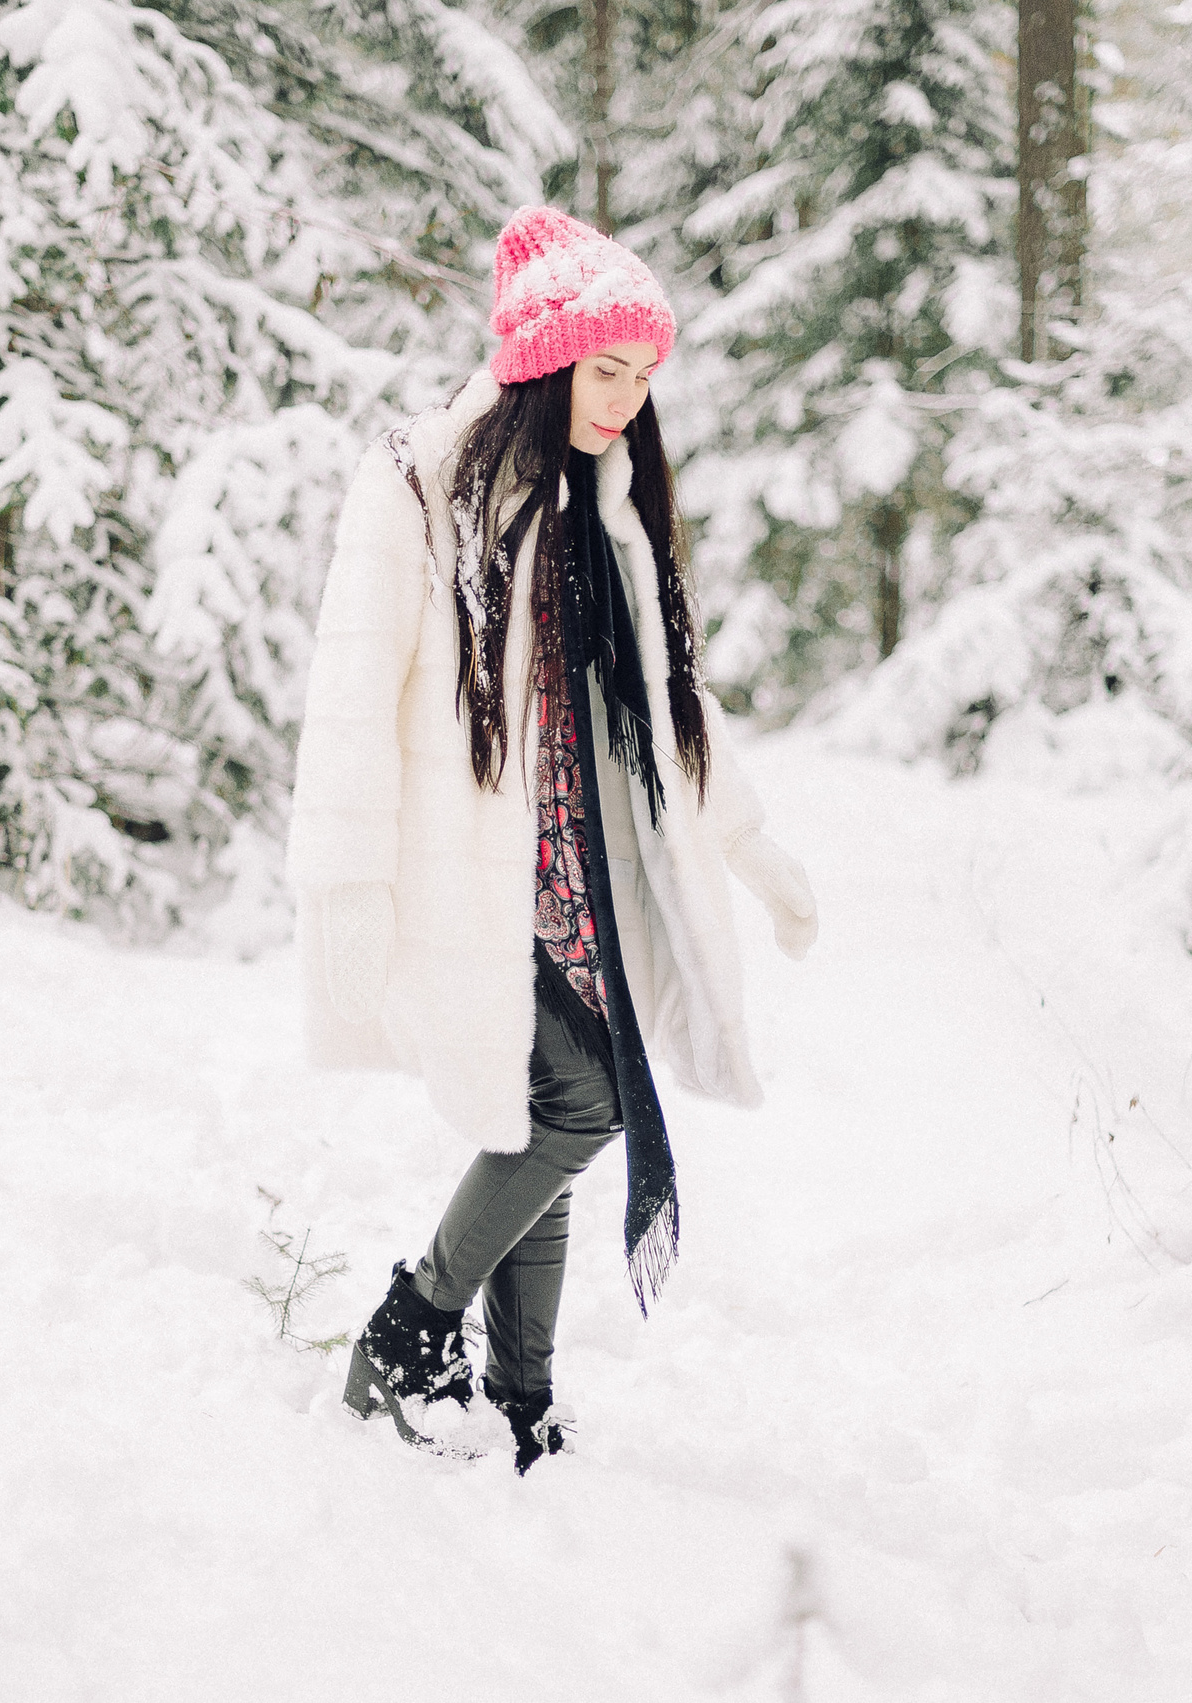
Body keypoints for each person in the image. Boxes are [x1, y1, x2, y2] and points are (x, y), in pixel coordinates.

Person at [286, 205, 818, 1472]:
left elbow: (676, 704)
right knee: (577, 1105)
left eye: (641, 380)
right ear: (542, 361)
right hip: (470, 874)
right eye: (606, 373)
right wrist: (344, 884)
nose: (626, 404)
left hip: (578, 872)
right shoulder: (419, 481)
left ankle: (519, 1395)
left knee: (543, 1116)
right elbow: (350, 698)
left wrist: (756, 849)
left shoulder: (602, 503)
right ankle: (408, 1330)